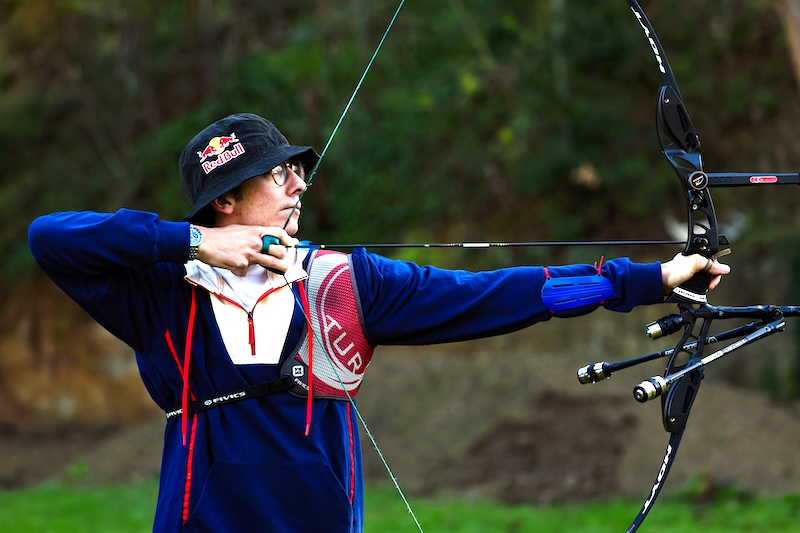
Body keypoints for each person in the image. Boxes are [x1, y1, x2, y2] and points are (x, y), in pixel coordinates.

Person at [28, 112, 729, 532]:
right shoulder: (161, 294)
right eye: (278, 176)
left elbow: (492, 294)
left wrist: (650, 278)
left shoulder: (343, 282)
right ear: (227, 202)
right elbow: (51, 237)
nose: (300, 183)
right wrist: (190, 245)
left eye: (297, 172)